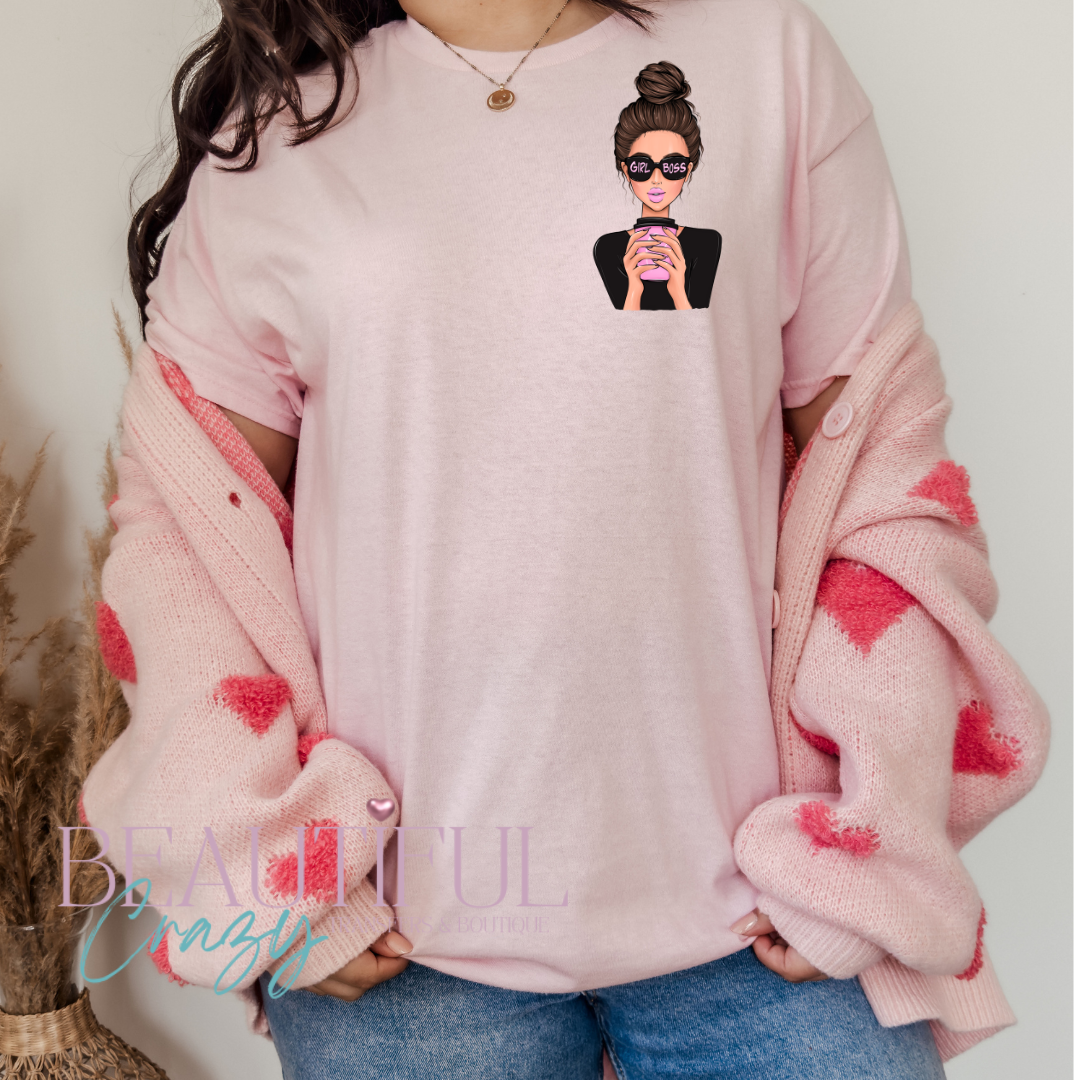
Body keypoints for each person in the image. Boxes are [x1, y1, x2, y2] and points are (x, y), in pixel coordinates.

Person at [81, 0, 1049, 1077]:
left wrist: (868, 840)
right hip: (406, 950)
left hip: (768, 918)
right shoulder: (274, 140)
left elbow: (882, 474)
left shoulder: (768, 57)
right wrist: (276, 878)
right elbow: (186, 538)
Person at [592, 61, 722, 310]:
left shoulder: (706, 244)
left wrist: (678, 289)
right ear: (626, 170)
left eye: (673, 166)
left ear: (688, 171)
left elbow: (702, 325)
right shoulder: (609, 249)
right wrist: (633, 288)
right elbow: (617, 327)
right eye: (642, 165)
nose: (656, 178)